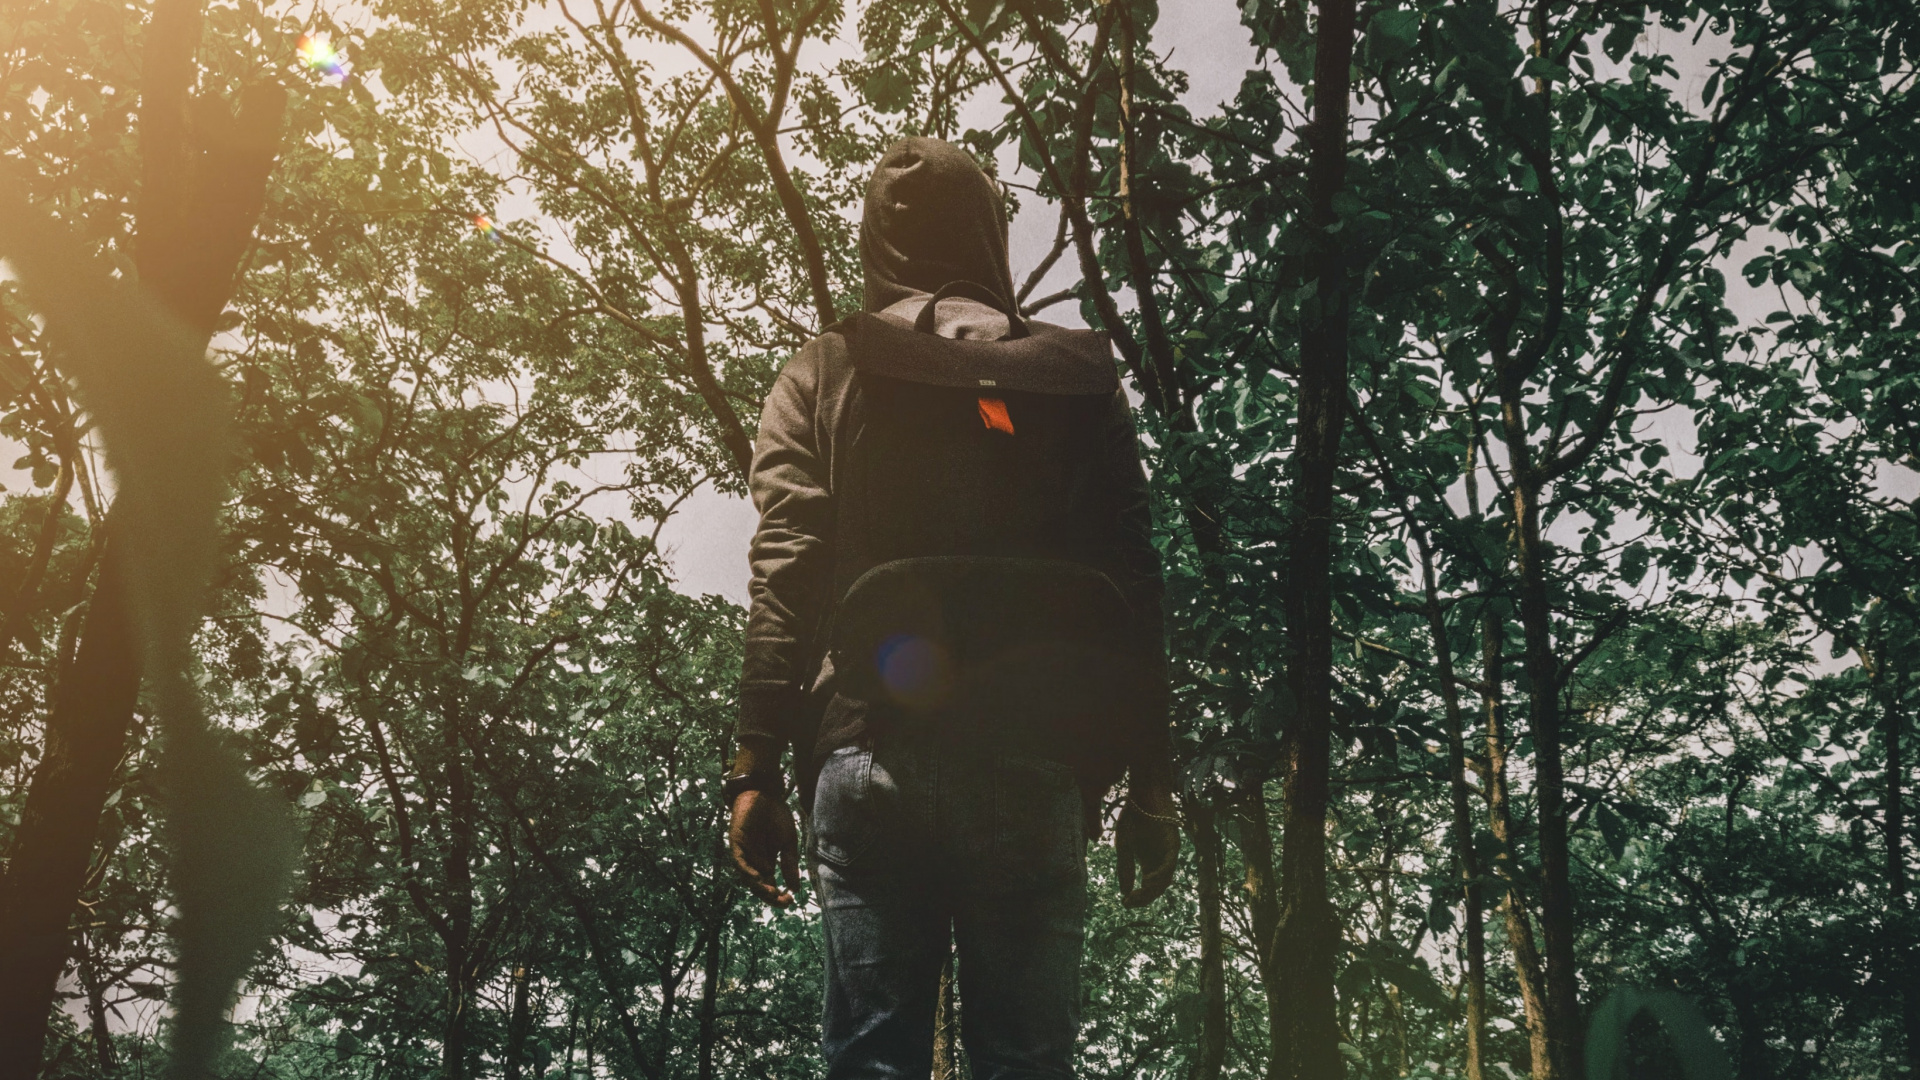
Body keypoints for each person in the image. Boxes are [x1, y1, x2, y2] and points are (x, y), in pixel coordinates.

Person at [723, 136, 1179, 1079]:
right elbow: (1136, 579)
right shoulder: (1080, 378)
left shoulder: (824, 367)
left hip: (867, 748)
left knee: (871, 1062)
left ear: (873, 243)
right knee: (1026, 1062)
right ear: (988, 234)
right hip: (1036, 758)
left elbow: (789, 562)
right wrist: (1153, 783)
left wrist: (754, 762)